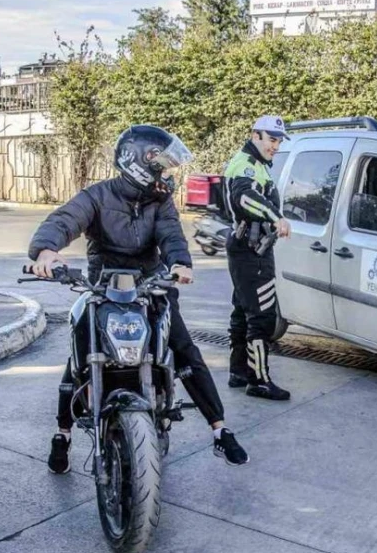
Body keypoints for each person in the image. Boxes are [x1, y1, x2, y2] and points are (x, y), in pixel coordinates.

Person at [27, 125, 250, 472]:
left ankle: (220, 430)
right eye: (160, 165)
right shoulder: (97, 196)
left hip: (151, 285)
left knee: (184, 348)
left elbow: (172, 235)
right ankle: (63, 433)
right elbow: (65, 220)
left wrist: (179, 263)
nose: (164, 174)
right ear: (137, 161)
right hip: (103, 288)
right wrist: (46, 251)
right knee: (79, 349)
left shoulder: (160, 203)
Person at [223, 116, 292, 401]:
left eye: (278, 141)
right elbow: (244, 198)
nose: (275, 146)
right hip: (252, 248)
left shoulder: (256, 164)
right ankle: (259, 380)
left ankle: (238, 371)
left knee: (243, 310)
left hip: (248, 245)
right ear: (255, 135)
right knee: (262, 316)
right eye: (271, 139)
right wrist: (276, 217)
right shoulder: (246, 166)